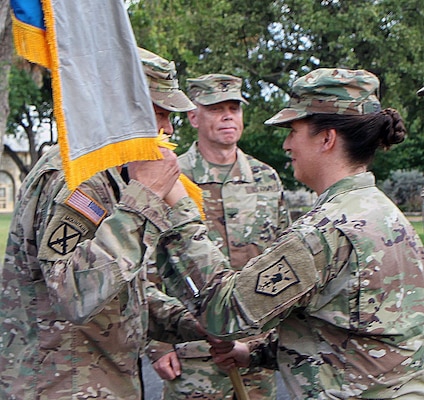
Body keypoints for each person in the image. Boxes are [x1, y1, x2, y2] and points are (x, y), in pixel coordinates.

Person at [157, 68, 424, 399]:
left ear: (327, 139)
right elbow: (339, 329)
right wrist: (251, 352)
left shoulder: (325, 231)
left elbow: (223, 313)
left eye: (293, 131)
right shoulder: (385, 214)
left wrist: (179, 204)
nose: (286, 144)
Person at [0, 48, 203, 400]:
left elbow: (119, 296)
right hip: (62, 386)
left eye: (171, 117)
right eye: (159, 113)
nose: (167, 129)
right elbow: (72, 292)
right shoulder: (80, 176)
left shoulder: (112, 174)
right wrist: (144, 200)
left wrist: (193, 324)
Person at [147, 74, 290, 399]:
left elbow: (284, 258)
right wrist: (157, 344)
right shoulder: (170, 177)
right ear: (194, 117)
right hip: (194, 350)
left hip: (256, 347)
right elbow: (149, 262)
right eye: (215, 109)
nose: (228, 116)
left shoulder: (266, 178)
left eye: (234, 108)